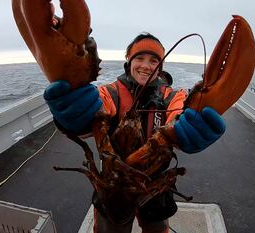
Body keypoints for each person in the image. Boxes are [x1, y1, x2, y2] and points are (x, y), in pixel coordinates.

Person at [43, 32, 226, 233]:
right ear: (129, 61)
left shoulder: (172, 96)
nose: (146, 65)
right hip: (112, 188)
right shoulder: (109, 92)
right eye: (139, 58)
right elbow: (93, 113)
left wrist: (191, 130)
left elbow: (182, 114)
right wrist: (75, 114)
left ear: (160, 66)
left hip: (153, 186)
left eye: (154, 60)